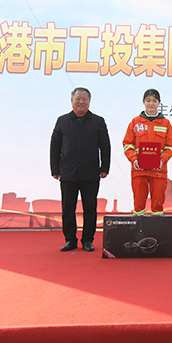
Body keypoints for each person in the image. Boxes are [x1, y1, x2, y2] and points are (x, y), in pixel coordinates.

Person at [50, 87, 111, 252]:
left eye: (84, 99)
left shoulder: (98, 121)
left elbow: (105, 146)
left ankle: (87, 240)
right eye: (78, 99)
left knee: (90, 209)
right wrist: (55, 169)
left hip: (90, 172)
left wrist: (104, 167)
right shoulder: (62, 121)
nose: (81, 102)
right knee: (67, 209)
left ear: (89, 101)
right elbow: (55, 146)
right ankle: (70, 240)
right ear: (72, 101)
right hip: (67, 172)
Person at [122, 89, 172, 216]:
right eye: (148, 101)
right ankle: (138, 226)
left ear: (159, 103)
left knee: (158, 204)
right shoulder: (135, 122)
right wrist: (134, 159)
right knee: (138, 204)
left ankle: (157, 226)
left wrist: (162, 160)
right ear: (143, 102)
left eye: (154, 101)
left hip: (158, 170)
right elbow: (127, 144)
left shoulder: (166, 123)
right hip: (139, 169)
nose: (151, 103)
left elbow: (170, 146)